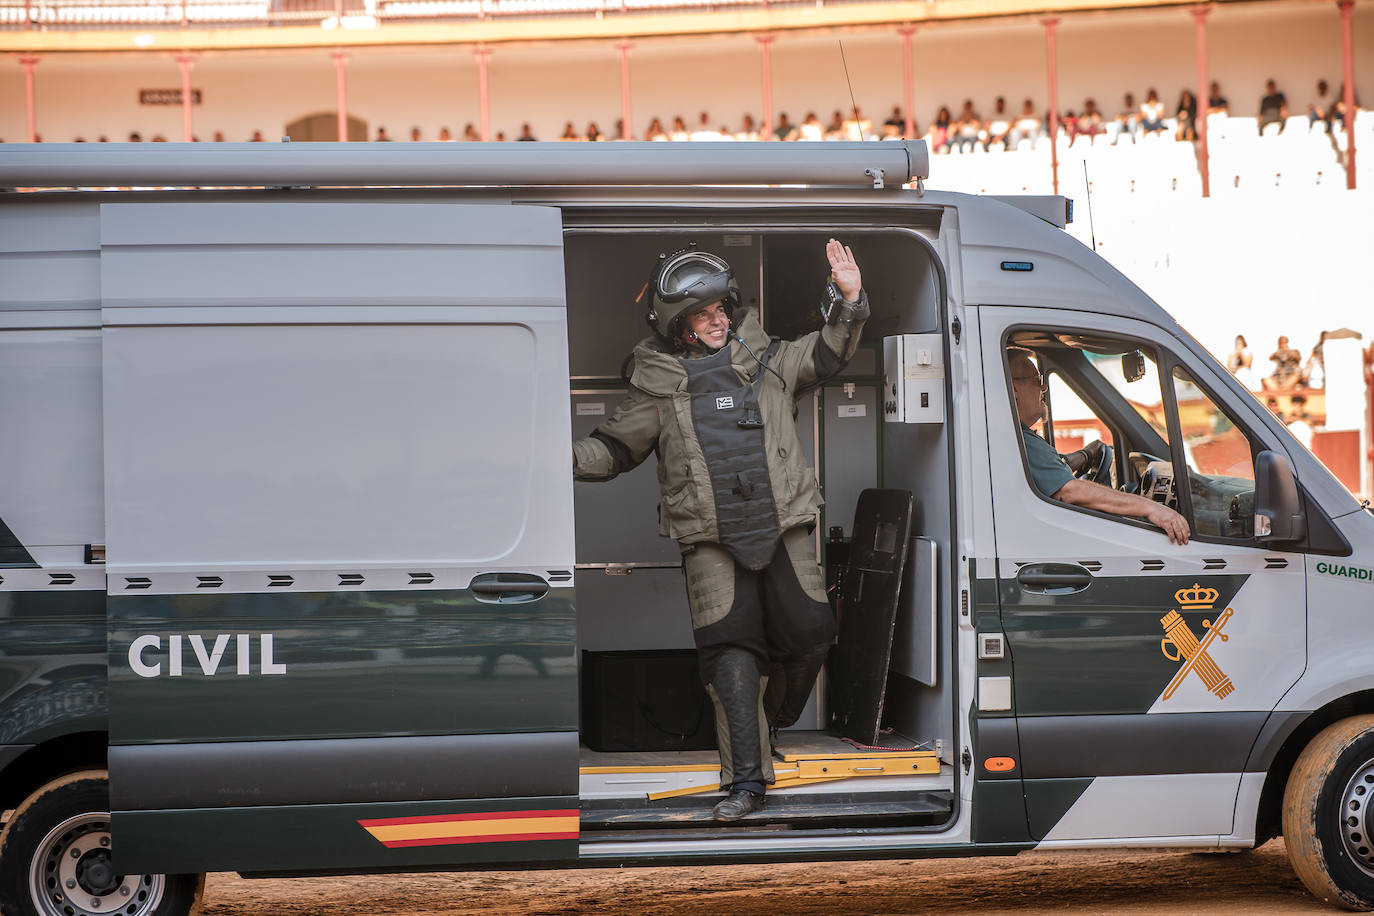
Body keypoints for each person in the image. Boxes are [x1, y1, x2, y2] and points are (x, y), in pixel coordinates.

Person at [572, 240, 868, 822]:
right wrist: (546, 459)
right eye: (703, 315)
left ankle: (768, 724)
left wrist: (850, 299)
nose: (718, 321)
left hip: (784, 525)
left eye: (722, 310)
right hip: (709, 539)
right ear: (677, 325)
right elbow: (610, 450)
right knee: (731, 659)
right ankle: (747, 782)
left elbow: (830, 352)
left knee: (811, 631)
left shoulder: (773, 361)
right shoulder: (657, 387)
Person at [1009, 350, 1189, 545]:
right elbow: (1069, 491)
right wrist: (1152, 508)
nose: (1043, 387)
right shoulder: (1018, 439)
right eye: (1037, 380)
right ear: (1014, 389)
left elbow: (1053, 467)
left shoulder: (1014, 436)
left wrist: (1086, 455)